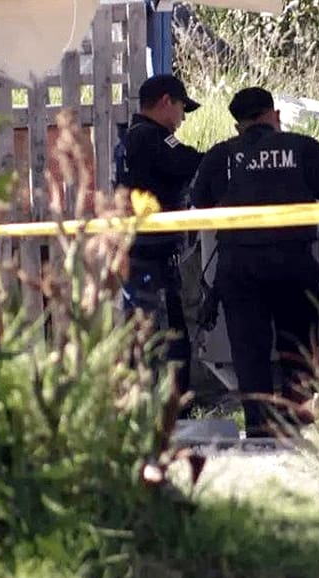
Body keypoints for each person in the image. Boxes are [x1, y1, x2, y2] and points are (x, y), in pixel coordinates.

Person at [191, 87, 319, 437]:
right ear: (274, 115)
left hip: (239, 267)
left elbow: (199, 201)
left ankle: (259, 429)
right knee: (298, 347)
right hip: (293, 262)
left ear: (238, 126)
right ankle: (298, 423)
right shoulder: (303, 148)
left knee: (250, 352)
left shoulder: (222, 155)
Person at [115, 74, 204, 404]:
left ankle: (150, 407)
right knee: (169, 342)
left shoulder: (131, 138)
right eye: (182, 109)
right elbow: (189, 162)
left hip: (140, 254)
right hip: (153, 257)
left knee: (147, 336)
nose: (182, 119)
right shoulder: (151, 137)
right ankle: (170, 411)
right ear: (167, 101)